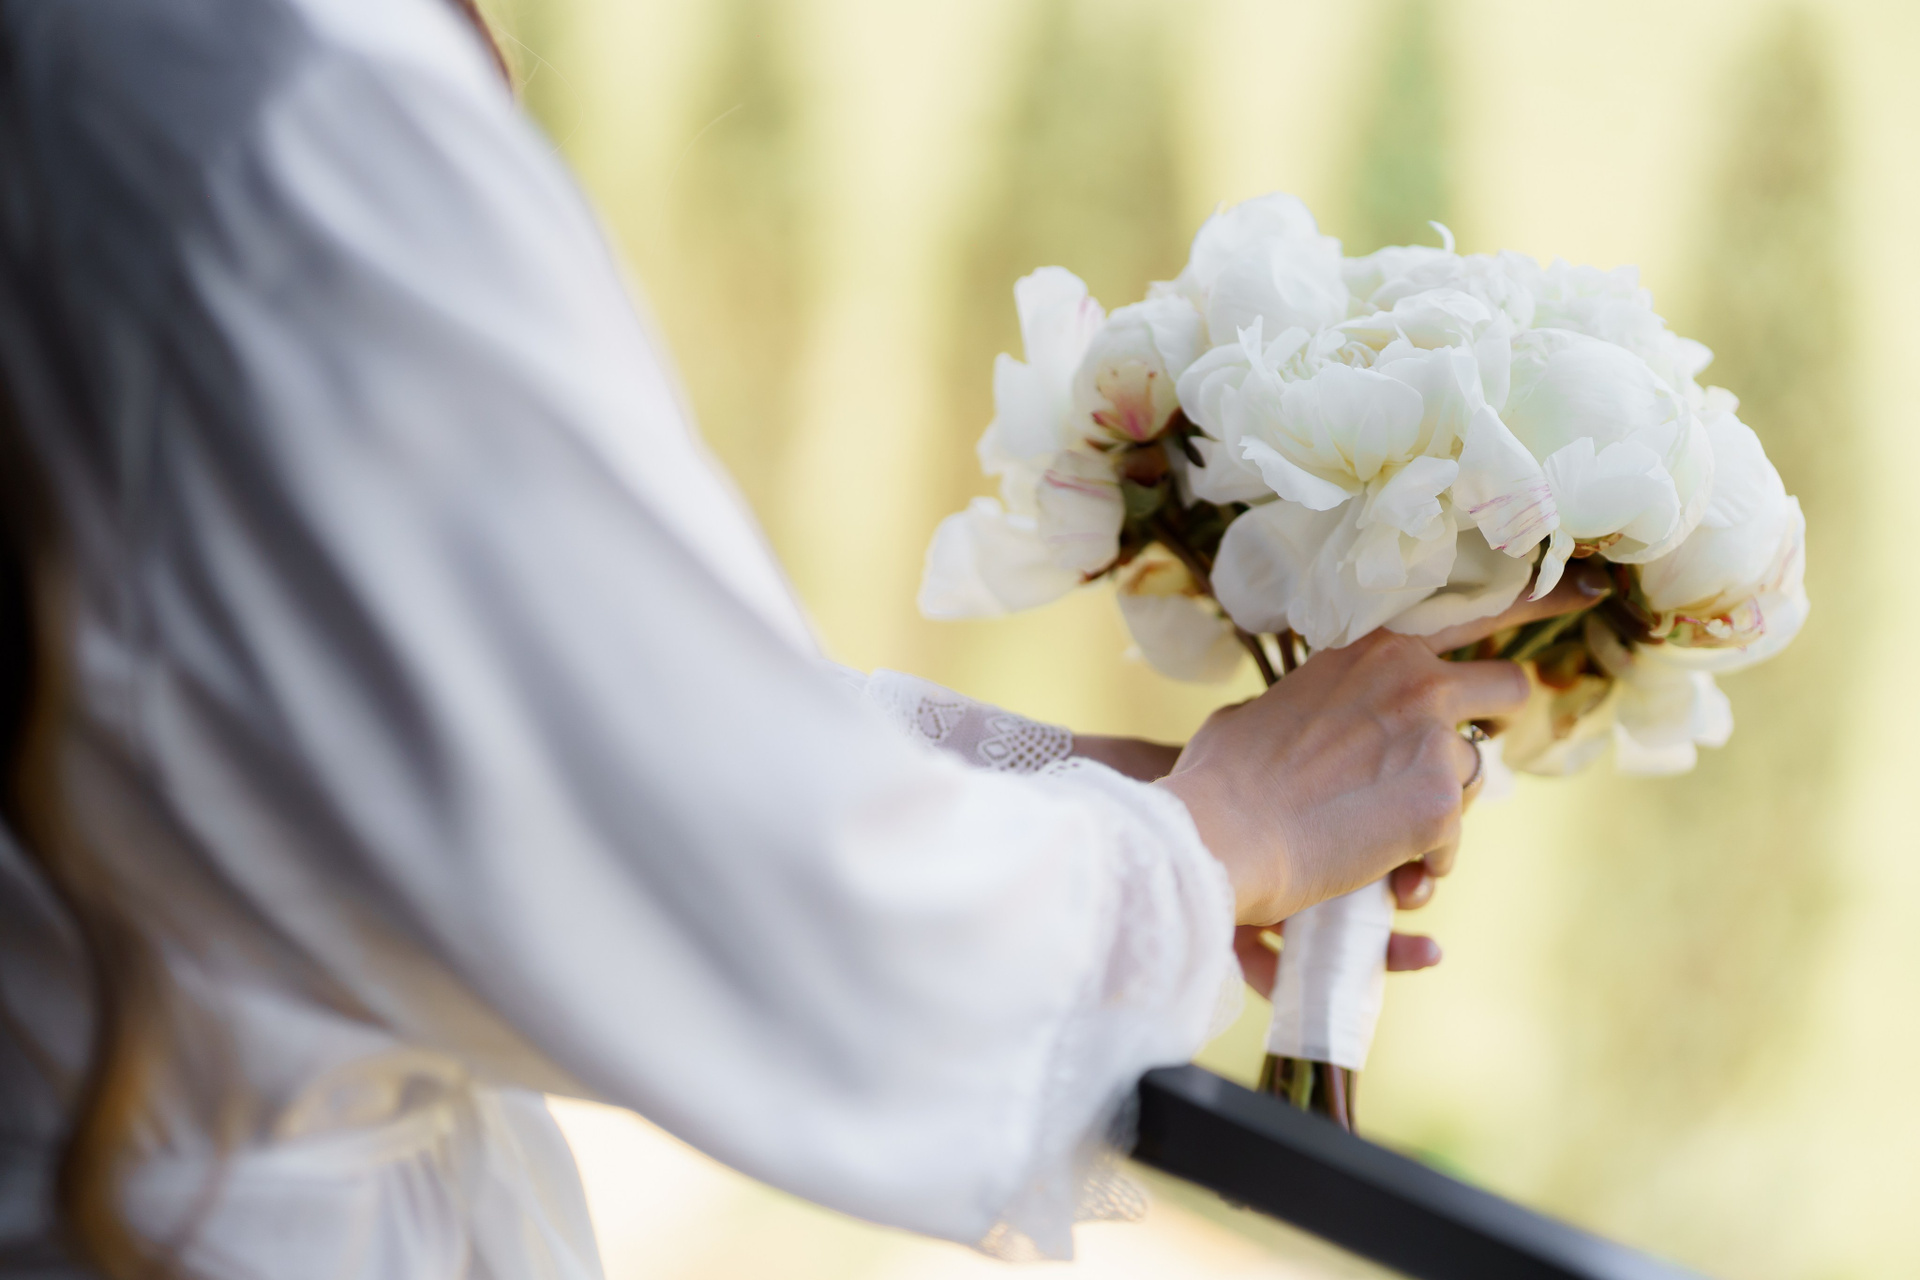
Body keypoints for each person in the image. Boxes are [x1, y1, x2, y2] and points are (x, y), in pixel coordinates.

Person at [0, 1, 1605, 1277]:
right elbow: (715, 867)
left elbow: (431, 703)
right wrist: (1215, 839)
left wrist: (1050, 793)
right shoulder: (266, 111)